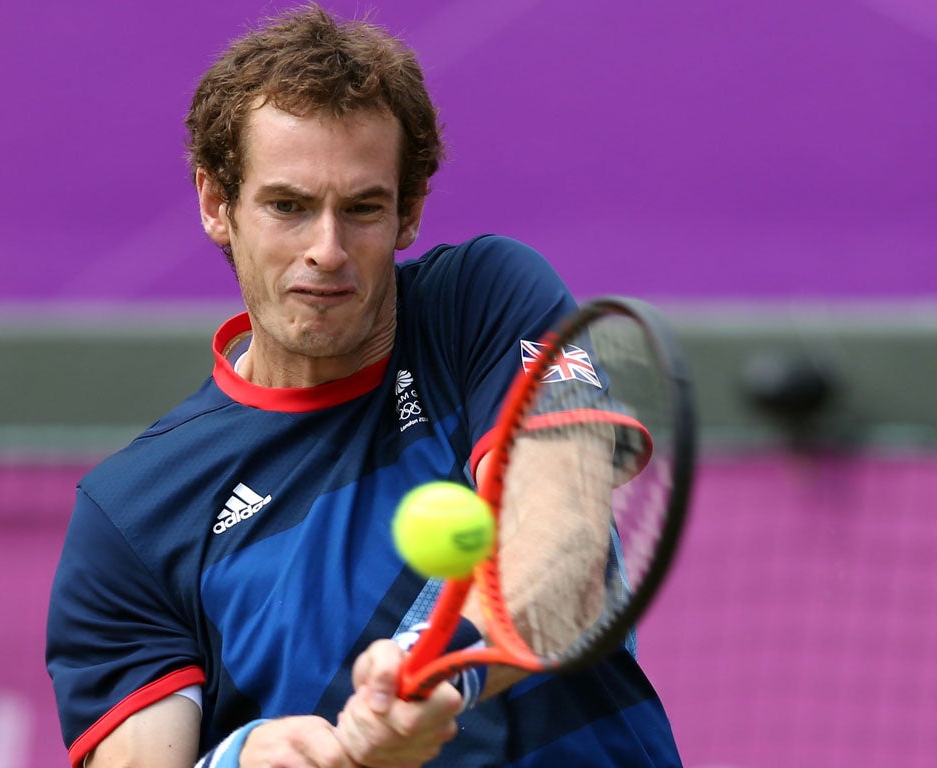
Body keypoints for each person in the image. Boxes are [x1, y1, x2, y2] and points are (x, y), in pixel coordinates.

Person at [45, 4, 683, 767]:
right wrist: (247, 760)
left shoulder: (479, 302)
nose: (327, 249)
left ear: (409, 211)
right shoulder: (131, 517)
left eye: (363, 208)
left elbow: (561, 550)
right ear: (219, 205)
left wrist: (432, 675)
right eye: (287, 206)